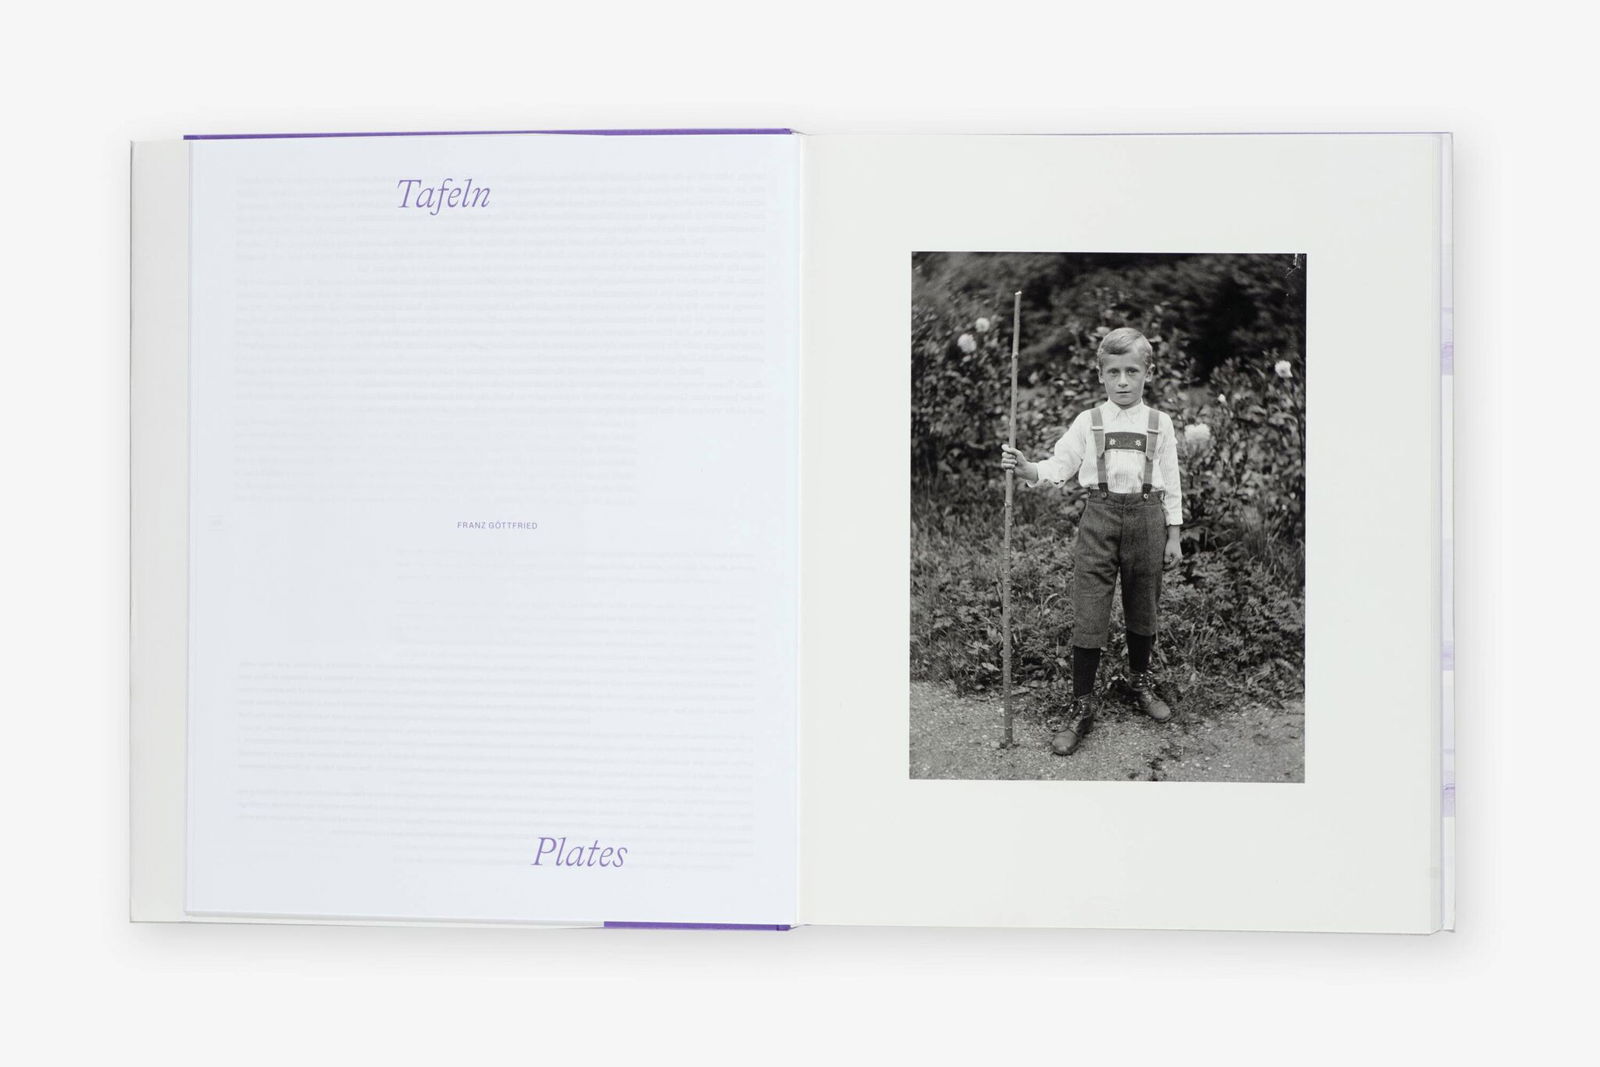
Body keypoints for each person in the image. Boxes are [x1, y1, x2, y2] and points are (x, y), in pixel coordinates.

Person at [1000, 327, 1183, 756]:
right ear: (1100, 375)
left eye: (1132, 371)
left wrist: (1174, 534)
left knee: (1143, 603)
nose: (1123, 381)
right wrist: (1029, 469)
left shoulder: (1160, 423)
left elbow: (1171, 480)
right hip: (1098, 518)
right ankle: (1082, 705)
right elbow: (1061, 464)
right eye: (1113, 372)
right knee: (1089, 609)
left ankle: (1139, 681)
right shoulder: (1089, 421)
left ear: (1148, 373)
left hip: (1148, 518)